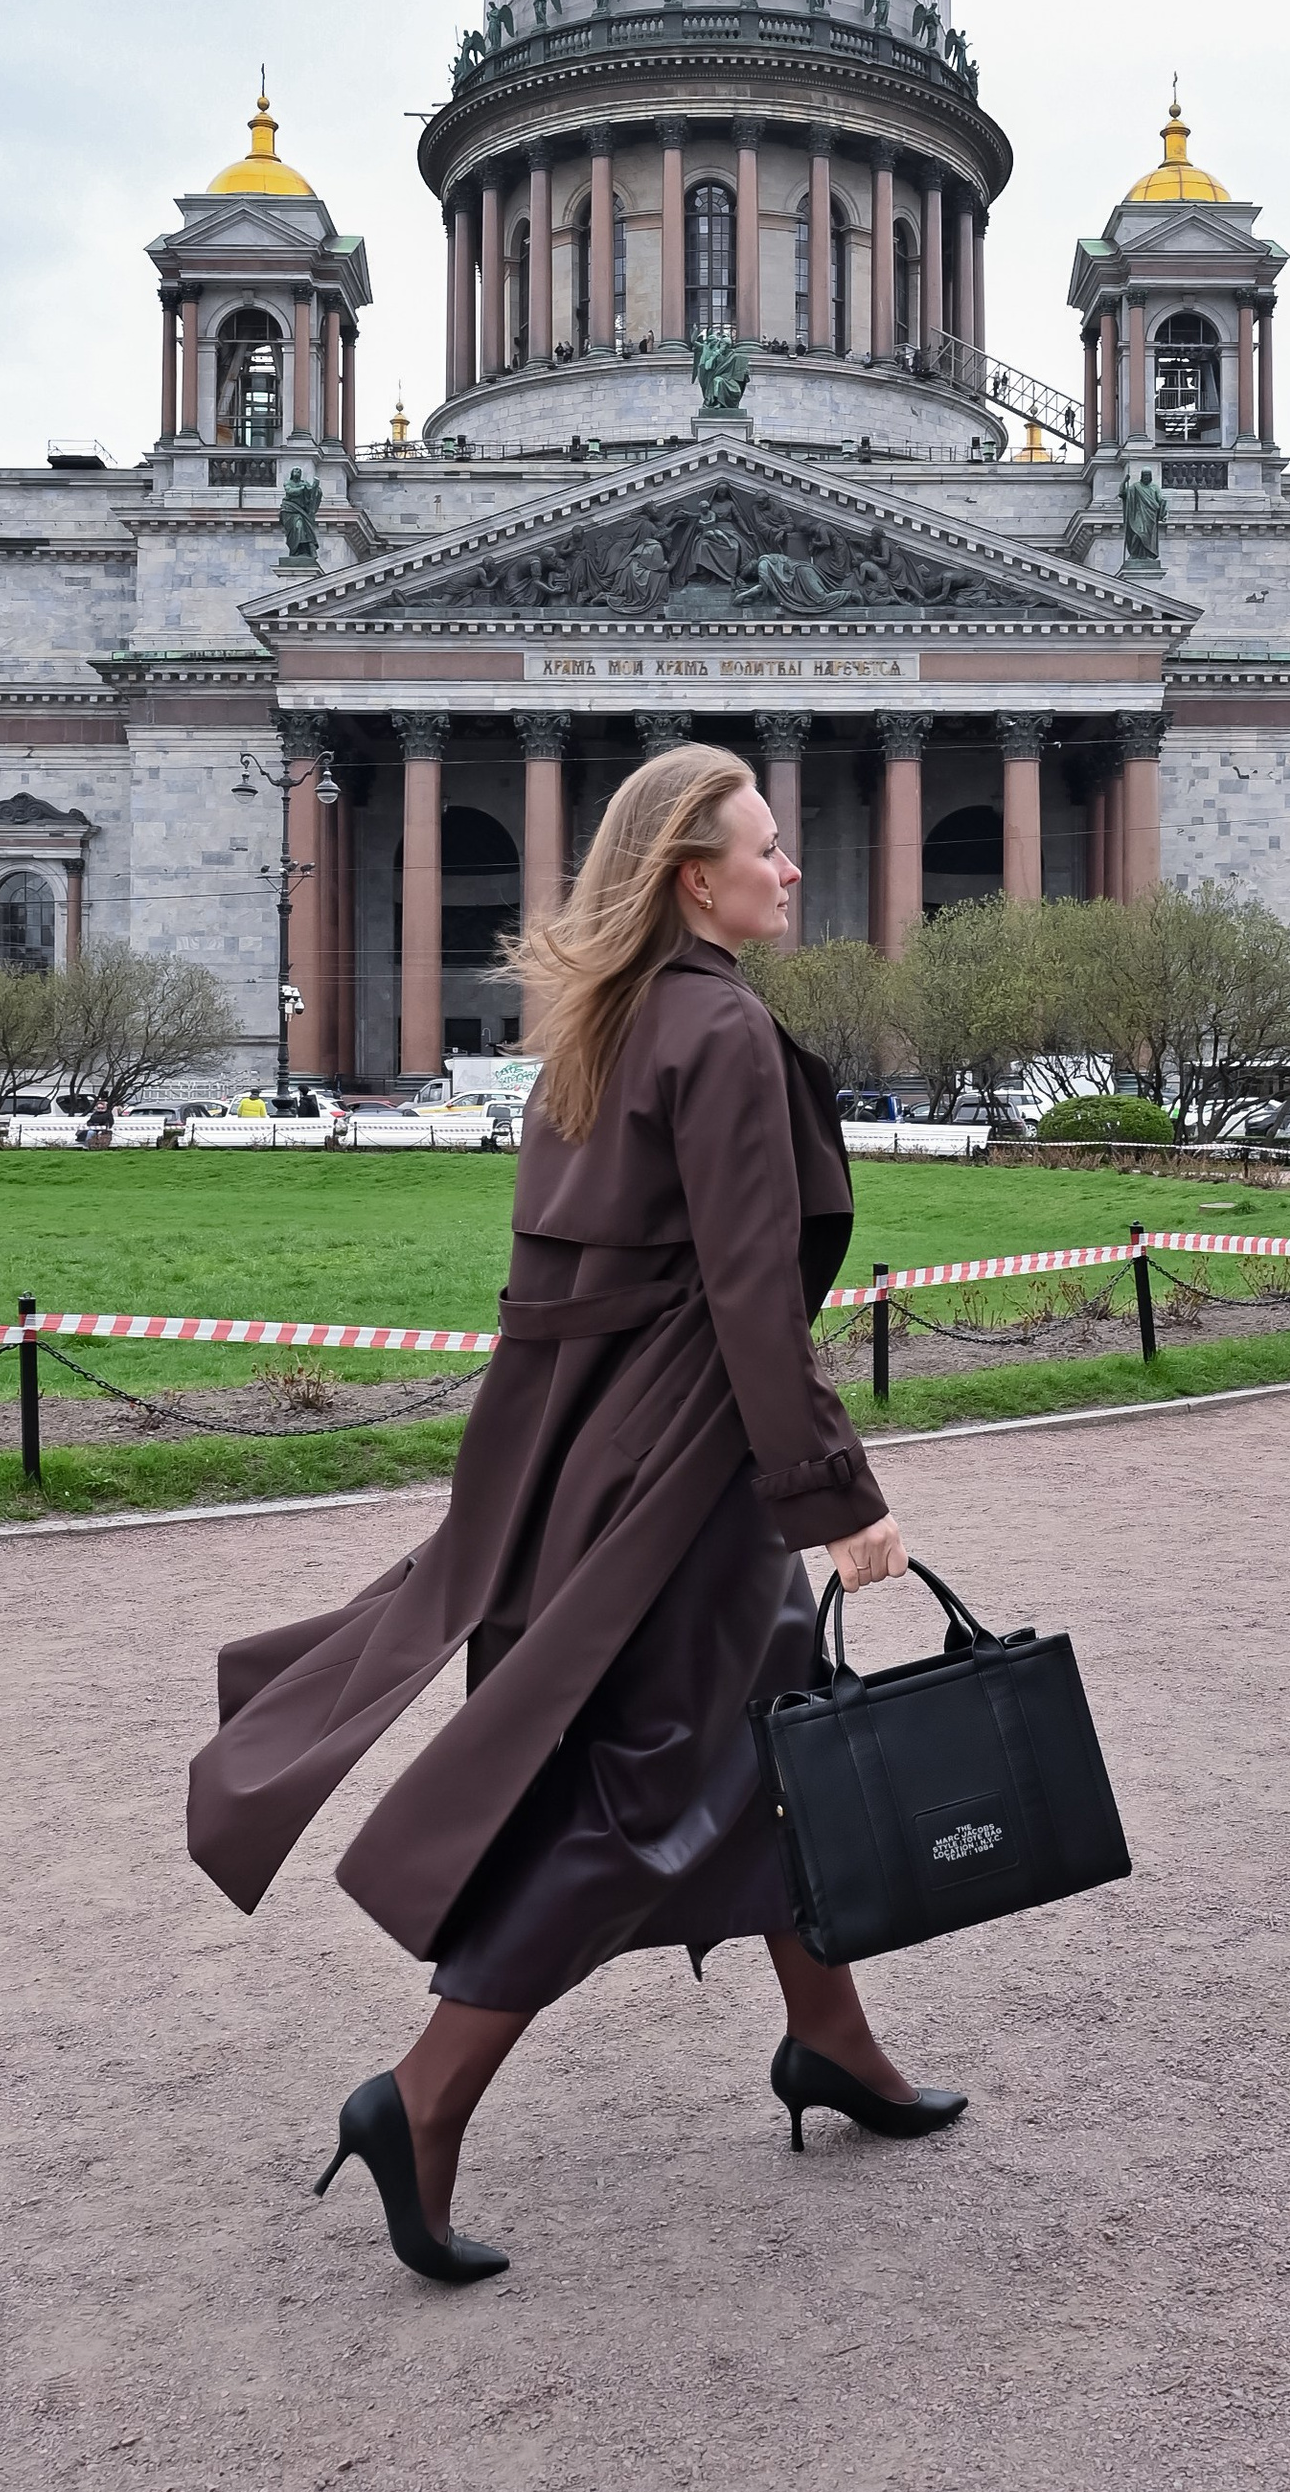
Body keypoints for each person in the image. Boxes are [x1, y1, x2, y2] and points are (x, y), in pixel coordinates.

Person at [184, 745, 963, 2284]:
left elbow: (565, 1292)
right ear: (693, 877)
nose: (791, 869)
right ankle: (422, 2097)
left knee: (780, 1745)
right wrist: (837, 1501)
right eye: (764, 849)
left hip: (596, 1448)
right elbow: (750, 1299)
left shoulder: (603, 1030)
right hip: (686, 1471)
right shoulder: (721, 1032)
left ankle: (835, 2043)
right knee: (643, 1790)